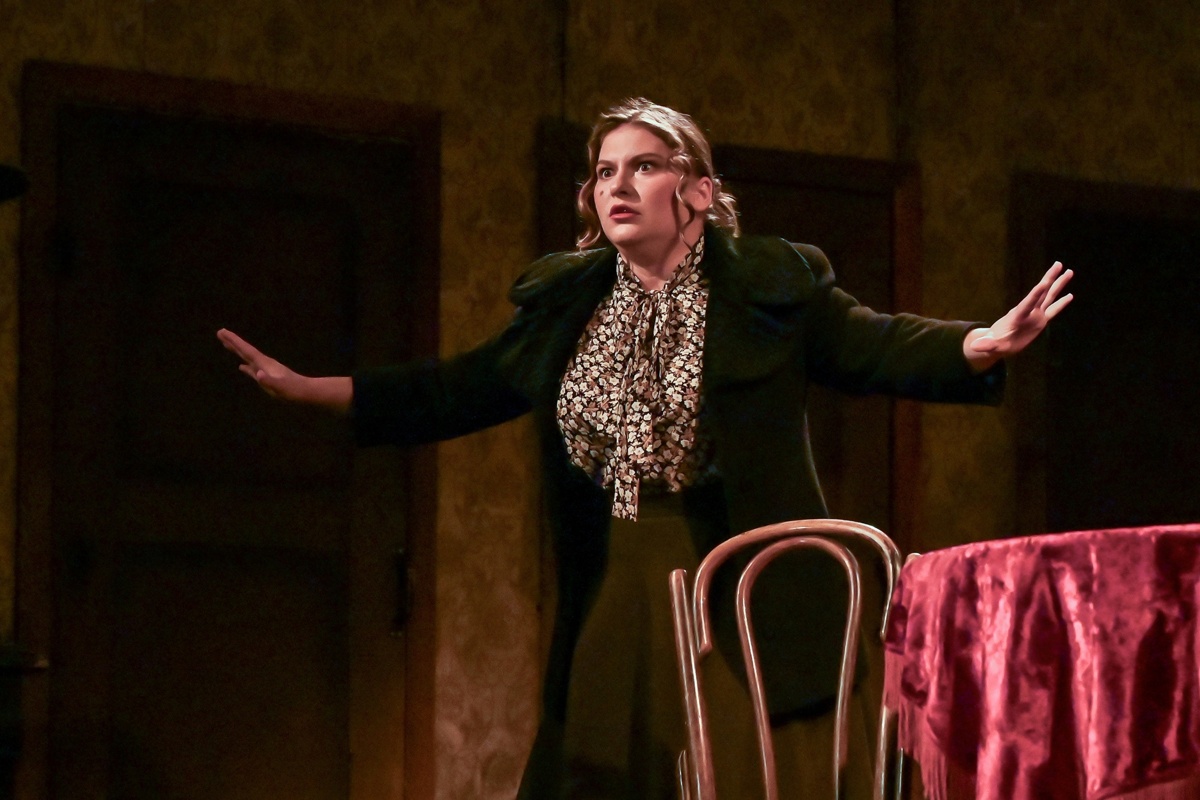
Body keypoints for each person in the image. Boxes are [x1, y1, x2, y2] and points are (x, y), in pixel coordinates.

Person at [219, 98, 1072, 799]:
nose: (617, 185)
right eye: (603, 171)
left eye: (644, 166)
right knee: (598, 768)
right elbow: (457, 388)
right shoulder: (567, 305)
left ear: (698, 191)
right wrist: (311, 389)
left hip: (729, 576)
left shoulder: (765, 287)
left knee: (734, 769)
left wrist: (978, 344)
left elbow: (872, 342)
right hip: (616, 579)